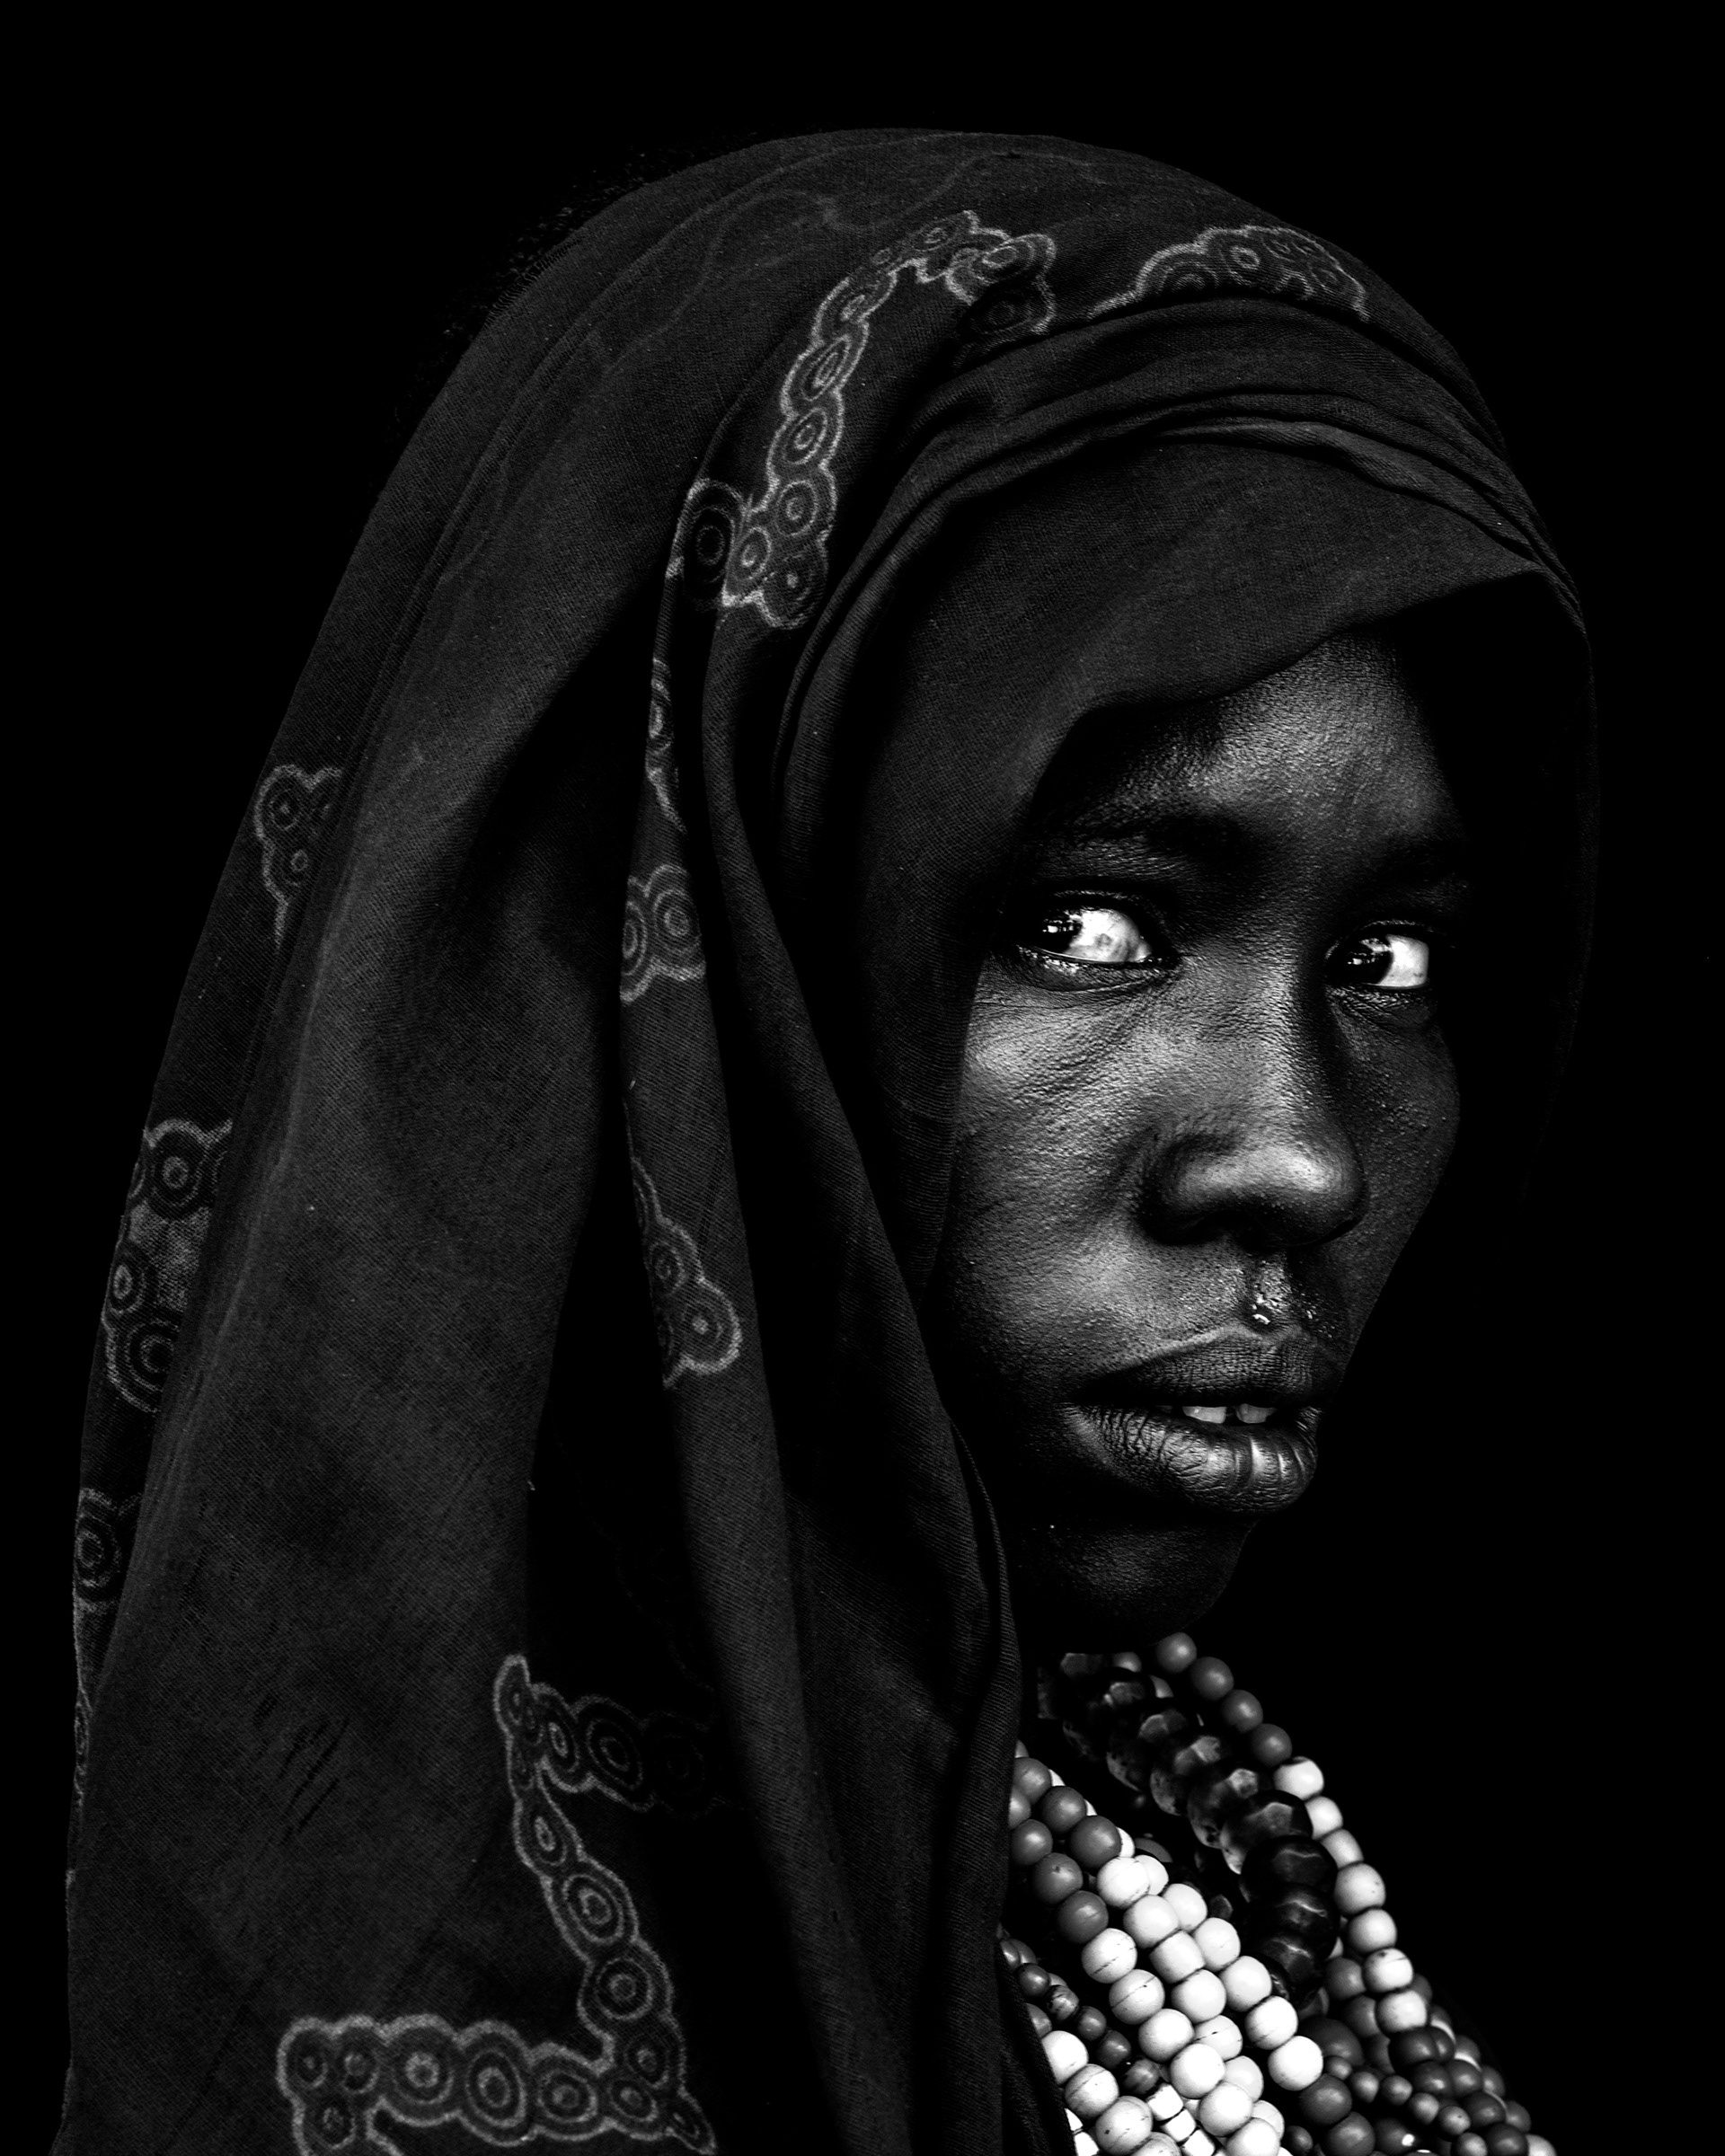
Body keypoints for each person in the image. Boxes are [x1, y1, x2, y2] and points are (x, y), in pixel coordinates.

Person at [61, 131, 1586, 2153]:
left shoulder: (1183, 1862)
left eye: (1388, 961)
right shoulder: (364, 1931)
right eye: (1084, 926)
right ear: (693, 945)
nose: (1300, 1160)